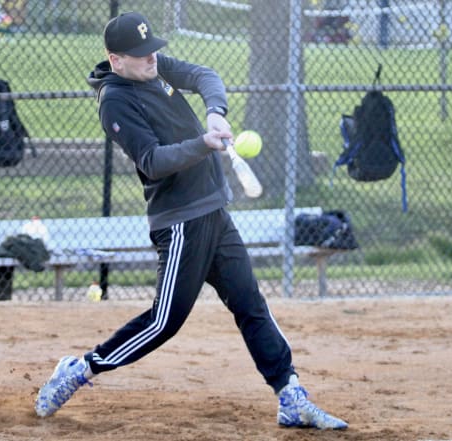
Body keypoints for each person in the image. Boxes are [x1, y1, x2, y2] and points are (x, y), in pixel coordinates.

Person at [34, 11, 348, 430]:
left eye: (152, 49)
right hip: (180, 221)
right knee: (164, 322)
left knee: (250, 304)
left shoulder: (153, 67)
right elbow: (153, 160)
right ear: (116, 60)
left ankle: (290, 395)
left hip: (213, 210)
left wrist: (215, 111)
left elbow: (204, 75)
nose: (152, 58)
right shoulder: (115, 101)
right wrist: (203, 143)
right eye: (141, 54)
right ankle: (79, 370)